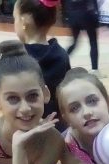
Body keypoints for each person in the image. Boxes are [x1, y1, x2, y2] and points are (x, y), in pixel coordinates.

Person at [14, 0, 71, 132]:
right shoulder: (61, 55)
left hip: (24, 129)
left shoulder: (16, 57)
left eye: (15, 18)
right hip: (57, 129)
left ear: (23, 20)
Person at [62, 0, 104, 77]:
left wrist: (66, 18)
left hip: (73, 16)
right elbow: (93, 3)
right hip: (86, 15)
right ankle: (94, 69)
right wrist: (96, 16)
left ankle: (60, 61)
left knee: (74, 43)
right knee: (93, 42)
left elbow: (64, 4)